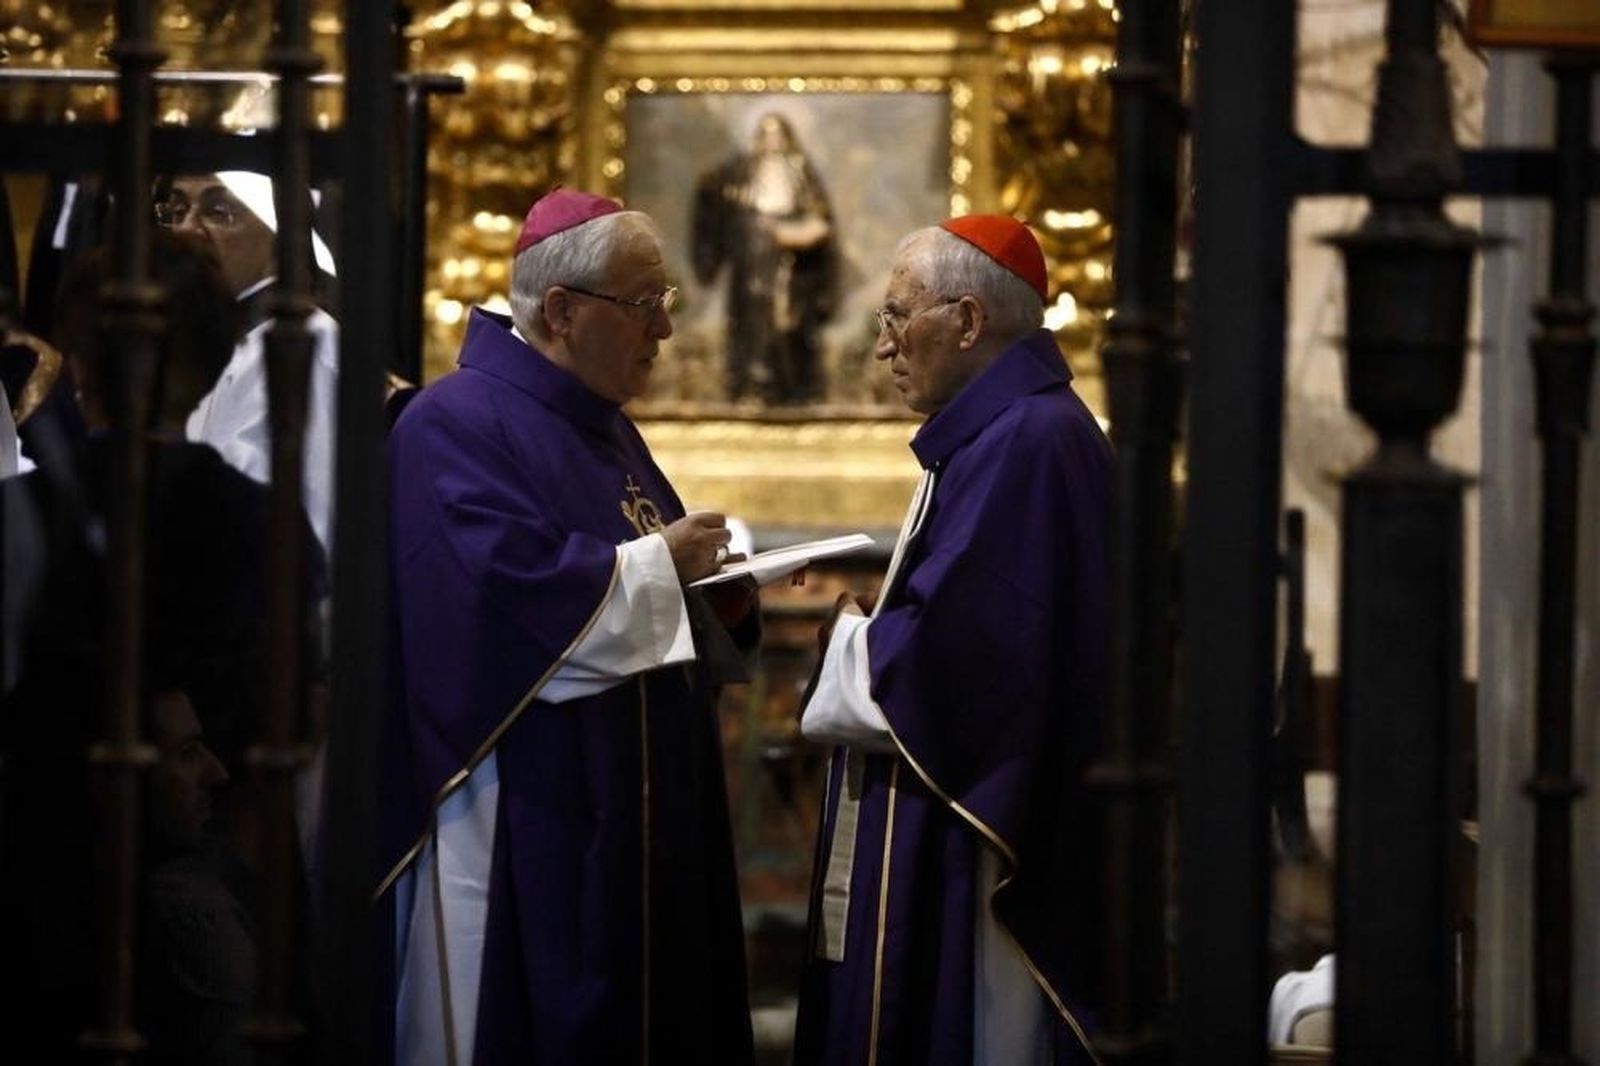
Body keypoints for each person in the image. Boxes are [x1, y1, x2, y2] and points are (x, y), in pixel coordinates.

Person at [381, 188, 758, 1066]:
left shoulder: (603, 428)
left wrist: (725, 588)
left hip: (633, 807)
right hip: (529, 809)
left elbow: (645, 567)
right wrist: (663, 567)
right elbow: (495, 604)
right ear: (561, 310)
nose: (663, 331)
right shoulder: (453, 423)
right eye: (645, 305)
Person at [791, 216, 1113, 1065]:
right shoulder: (1000, 433)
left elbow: (963, 660)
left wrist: (848, 642)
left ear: (968, 322)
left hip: (1002, 828)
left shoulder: (1028, 442)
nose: (886, 347)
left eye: (899, 317)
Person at [155, 170, 340, 553]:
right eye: (177, 209)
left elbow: (314, 527)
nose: (187, 229)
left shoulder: (309, 343)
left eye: (219, 211)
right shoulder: (199, 342)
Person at [693, 112, 836, 405]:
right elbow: (721, 206)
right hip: (750, 268)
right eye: (766, 134)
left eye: (777, 134)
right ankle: (750, 387)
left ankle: (789, 391)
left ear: (786, 137)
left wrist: (794, 235)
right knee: (749, 327)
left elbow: (819, 219)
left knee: (787, 327)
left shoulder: (800, 170)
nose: (772, 141)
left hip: (791, 270)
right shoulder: (741, 171)